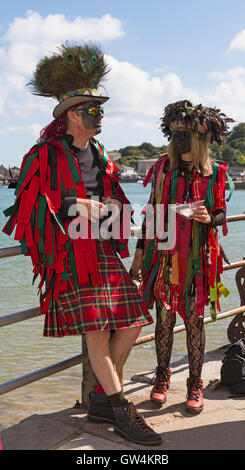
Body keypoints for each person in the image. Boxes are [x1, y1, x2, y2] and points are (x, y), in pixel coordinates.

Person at [3, 43, 161, 446]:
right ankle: (124, 412)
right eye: (93, 112)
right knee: (96, 333)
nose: (100, 117)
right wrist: (75, 204)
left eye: (101, 111)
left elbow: (113, 197)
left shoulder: (100, 152)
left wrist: (111, 206)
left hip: (101, 249)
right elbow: (27, 203)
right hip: (69, 255)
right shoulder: (44, 153)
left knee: (135, 319)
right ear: (72, 115)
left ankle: (100, 399)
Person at [131, 100, 233, 414]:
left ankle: (195, 383)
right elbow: (150, 214)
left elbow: (220, 214)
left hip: (199, 259)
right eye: (175, 133)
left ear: (200, 137)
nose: (179, 140)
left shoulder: (215, 172)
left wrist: (208, 218)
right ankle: (162, 377)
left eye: (185, 134)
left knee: (195, 321)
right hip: (163, 257)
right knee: (163, 319)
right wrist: (138, 259)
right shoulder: (162, 167)